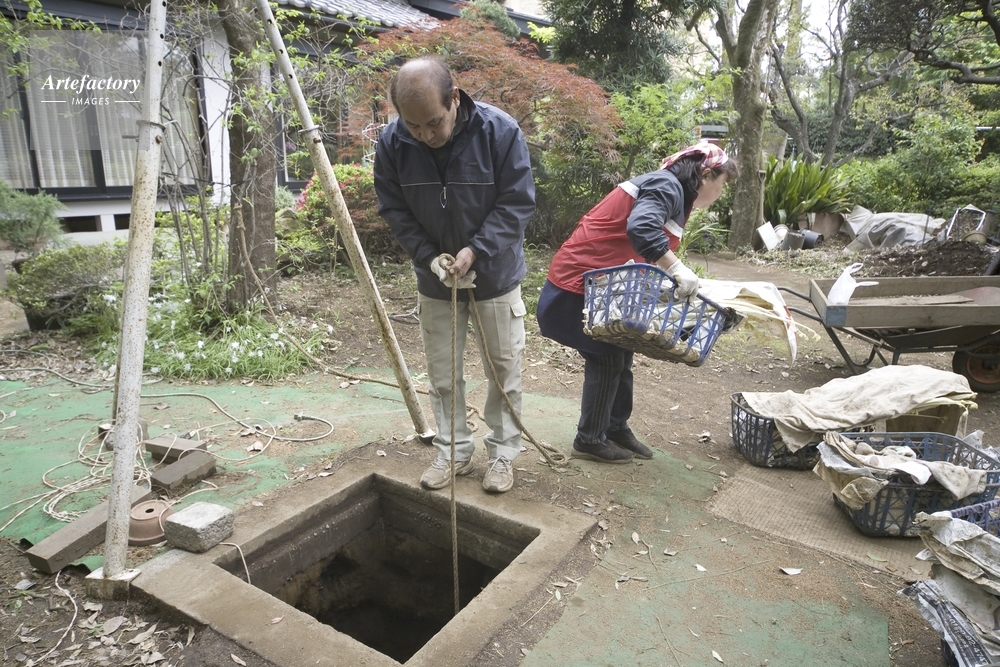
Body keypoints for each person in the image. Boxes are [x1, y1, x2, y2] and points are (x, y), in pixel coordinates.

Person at [373, 55, 535, 493]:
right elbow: (394, 209)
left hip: (495, 274)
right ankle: (452, 450)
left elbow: (517, 202)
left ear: (455, 99)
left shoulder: (500, 132)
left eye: (434, 123)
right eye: (413, 126)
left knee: (503, 370)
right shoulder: (392, 143)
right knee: (443, 373)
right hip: (435, 280)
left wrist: (476, 249)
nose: (425, 136)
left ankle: (502, 454)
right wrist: (429, 257)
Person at [536, 142, 739, 463]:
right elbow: (642, 227)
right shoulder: (666, 185)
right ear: (706, 175)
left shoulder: (671, 190)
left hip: (601, 284)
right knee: (606, 355)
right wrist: (676, 267)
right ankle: (589, 440)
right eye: (723, 183)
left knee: (621, 349)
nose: (721, 192)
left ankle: (614, 427)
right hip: (577, 284)